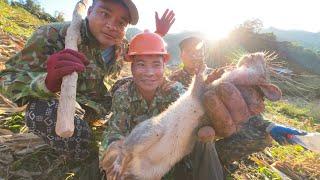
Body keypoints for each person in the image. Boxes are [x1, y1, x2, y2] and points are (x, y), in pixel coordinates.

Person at [0, 0, 175, 178]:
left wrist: (158, 34)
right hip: (67, 108)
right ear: (90, 11)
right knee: (39, 112)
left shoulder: (120, 45)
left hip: (100, 105)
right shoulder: (53, 34)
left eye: (121, 23)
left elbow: (142, 53)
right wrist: (47, 81)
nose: (111, 26)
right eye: (105, 14)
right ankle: (89, 160)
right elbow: (7, 79)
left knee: (131, 83)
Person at [101, 30, 225, 180]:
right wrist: (114, 152)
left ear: (163, 67)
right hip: (139, 161)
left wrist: (208, 128)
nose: (150, 73)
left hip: (172, 159)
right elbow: (115, 130)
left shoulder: (175, 92)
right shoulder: (123, 94)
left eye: (156, 65)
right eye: (141, 64)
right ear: (132, 67)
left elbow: (193, 120)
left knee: (205, 143)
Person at [170, 36, 307, 167]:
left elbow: (241, 105)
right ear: (181, 55)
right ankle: (191, 158)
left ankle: (212, 160)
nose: (195, 55)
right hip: (193, 130)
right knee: (204, 133)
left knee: (262, 137)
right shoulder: (174, 79)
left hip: (223, 125)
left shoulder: (220, 74)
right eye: (189, 52)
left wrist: (269, 126)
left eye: (198, 51)